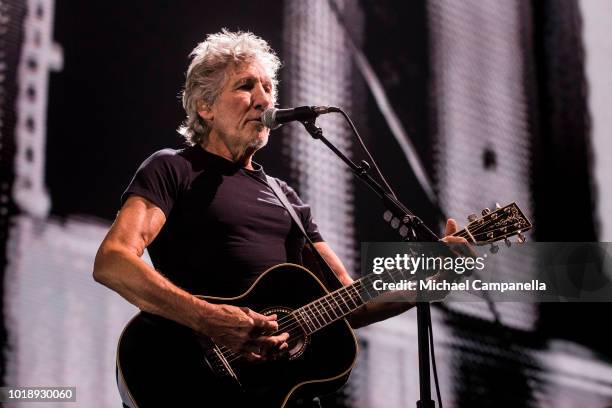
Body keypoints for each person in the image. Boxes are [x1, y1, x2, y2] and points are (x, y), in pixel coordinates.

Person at [93, 29, 467, 407]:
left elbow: (350, 302)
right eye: (245, 86)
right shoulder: (173, 169)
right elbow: (112, 262)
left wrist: (437, 277)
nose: (263, 99)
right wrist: (210, 320)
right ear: (205, 106)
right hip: (182, 376)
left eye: (268, 88)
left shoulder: (285, 197)